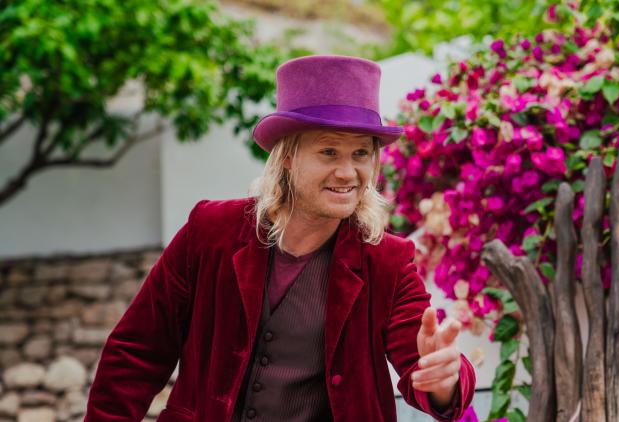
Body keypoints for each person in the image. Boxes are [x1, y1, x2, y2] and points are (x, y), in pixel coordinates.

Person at [84, 55, 475, 422]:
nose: (348, 172)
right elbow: (136, 351)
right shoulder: (210, 231)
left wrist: (444, 381)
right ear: (287, 155)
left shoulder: (387, 261)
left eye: (361, 153)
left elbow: (425, 366)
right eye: (328, 151)